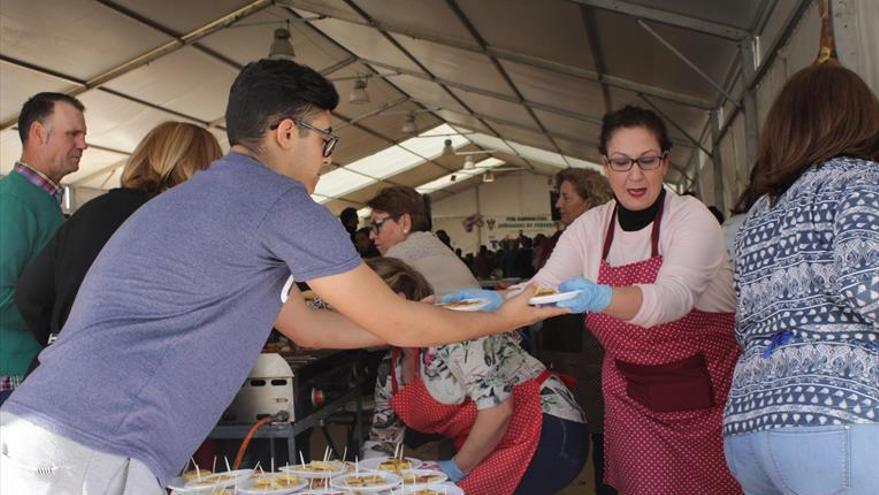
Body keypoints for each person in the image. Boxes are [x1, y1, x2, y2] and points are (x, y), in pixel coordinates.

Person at [0, 59, 563, 495]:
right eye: (327, 139)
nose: (329, 158)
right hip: (91, 448)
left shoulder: (205, 197)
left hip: (41, 430)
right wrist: (504, 313)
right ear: (287, 132)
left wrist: (436, 317)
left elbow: (310, 328)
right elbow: (395, 318)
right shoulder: (281, 205)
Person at [446, 105, 741, 494]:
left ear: (665, 162)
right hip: (633, 402)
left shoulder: (690, 219)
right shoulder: (591, 226)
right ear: (605, 166)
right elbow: (543, 289)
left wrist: (603, 297)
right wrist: (498, 302)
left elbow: (674, 298)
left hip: (708, 400)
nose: (634, 175)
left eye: (647, 160)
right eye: (621, 162)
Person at [723, 63, 879, 495]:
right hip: (843, 418)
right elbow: (870, 286)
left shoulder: (759, 216)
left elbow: (745, 325)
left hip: (752, 422)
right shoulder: (863, 183)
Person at [363, 257, 588, 495]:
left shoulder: (449, 331)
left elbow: (498, 409)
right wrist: (369, 480)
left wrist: (456, 469)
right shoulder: (391, 369)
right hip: (487, 444)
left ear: (398, 300)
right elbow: (383, 441)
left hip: (544, 429)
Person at [15, 121, 222, 374]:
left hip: (54, 376)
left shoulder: (93, 210)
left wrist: (66, 334)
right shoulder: (182, 224)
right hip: (129, 382)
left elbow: (30, 294)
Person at [0, 93, 87, 406]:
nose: (83, 144)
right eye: (73, 134)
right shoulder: (13, 201)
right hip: (13, 378)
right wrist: (62, 321)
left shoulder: (42, 202)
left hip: (30, 373)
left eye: (84, 135)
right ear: (38, 133)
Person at [536, 167, 617, 495]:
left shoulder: (593, 237)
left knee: (599, 429)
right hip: (570, 345)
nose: (558, 204)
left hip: (587, 348)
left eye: (566, 197)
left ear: (590, 199)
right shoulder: (575, 234)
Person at [367, 186, 477, 296]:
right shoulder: (437, 247)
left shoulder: (398, 258)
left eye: (377, 225)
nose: (371, 235)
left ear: (404, 222)